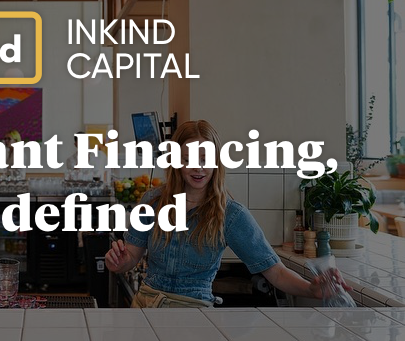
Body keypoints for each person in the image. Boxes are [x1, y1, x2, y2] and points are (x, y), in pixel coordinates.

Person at [105, 120, 350, 308]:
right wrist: (118, 261)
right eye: (188, 159)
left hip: (193, 314)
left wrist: (311, 289)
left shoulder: (230, 215)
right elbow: (131, 256)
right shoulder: (152, 202)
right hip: (145, 307)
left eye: (205, 159)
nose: (198, 168)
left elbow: (275, 271)